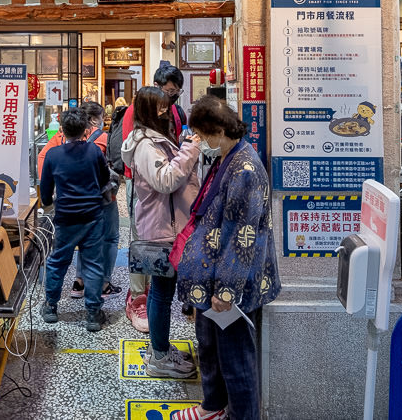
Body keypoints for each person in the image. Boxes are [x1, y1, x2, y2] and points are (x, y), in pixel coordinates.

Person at [173, 95, 281, 420]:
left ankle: (242, 415)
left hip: (232, 283)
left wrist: (227, 289)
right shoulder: (227, 156)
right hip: (212, 275)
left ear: (219, 130)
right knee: (210, 347)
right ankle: (212, 406)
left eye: (203, 134)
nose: (200, 141)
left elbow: (243, 236)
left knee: (236, 359)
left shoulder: (245, 168)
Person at [121, 86, 201, 378]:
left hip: (169, 225)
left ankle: (161, 350)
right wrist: (191, 150)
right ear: (148, 111)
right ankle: (160, 357)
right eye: (161, 107)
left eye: (167, 106)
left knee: (162, 293)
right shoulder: (144, 145)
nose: (167, 111)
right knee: (161, 294)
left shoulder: (156, 140)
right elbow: (165, 180)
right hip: (161, 229)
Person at [118, 64, 189, 332]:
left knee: (160, 239)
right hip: (144, 185)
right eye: (169, 92)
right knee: (141, 237)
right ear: (158, 88)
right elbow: (143, 159)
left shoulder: (172, 109)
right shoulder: (140, 112)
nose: (171, 99)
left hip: (168, 188)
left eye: (176, 93)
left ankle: (154, 287)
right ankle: (138, 296)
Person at [37, 102, 121, 299]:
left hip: (65, 210)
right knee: (103, 245)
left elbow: (44, 170)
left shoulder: (54, 150)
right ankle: (95, 304)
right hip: (95, 207)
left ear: (63, 129)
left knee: (58, 259)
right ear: (89, 124)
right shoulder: (97, 145)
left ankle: (53, 302)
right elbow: (104, 177)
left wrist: (51, 198)